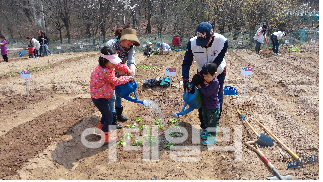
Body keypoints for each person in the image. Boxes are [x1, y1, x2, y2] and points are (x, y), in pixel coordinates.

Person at [182, 22, 228, 137]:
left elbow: (216, 63)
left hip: (218, 71)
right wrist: (186, 80)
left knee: (216, 97)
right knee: (202, 97)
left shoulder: (222, 42)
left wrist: (201, 75)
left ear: (212, 35)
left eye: (205, 41)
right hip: (201, 71)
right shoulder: (192, 43)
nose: (202, 45)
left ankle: (213, 124)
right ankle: (204, 126)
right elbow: (186, 62)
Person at [91, 46, 134, 144]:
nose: (114, 63)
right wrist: (127, 78)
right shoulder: (104, 71)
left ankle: (99, 129)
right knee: (109, 117)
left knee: (105, 114)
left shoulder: (108, 65)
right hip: (99, 98)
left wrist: (127, 69)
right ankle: (105, 138)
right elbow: (115, 81)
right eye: (112, 61)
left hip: (102, 96)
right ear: (103, 60)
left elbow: (118, 65)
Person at [106, 25, 140, 128]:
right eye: (129, 43)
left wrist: (132, 72)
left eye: (132, 43)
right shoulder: (111, 44)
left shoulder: (130, 48)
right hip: (108, 72)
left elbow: (131, 61)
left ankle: (119, 113)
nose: (130, 45)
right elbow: (107, 62)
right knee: (112, 96)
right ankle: (112, 119)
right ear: (123, 39)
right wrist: (119, 69)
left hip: (120, 71)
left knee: (119, 92)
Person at [191, 63, 220, 145]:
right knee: (206, 121)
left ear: (214, 74)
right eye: (204, 76)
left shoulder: (215, 83)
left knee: (212, 123)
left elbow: (207, 93)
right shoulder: (207, 81)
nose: (205, 78)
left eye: (207, 76)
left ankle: (212, 138)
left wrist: (200, 87)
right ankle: (208, 133)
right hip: (206, 106)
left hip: (213, 107)